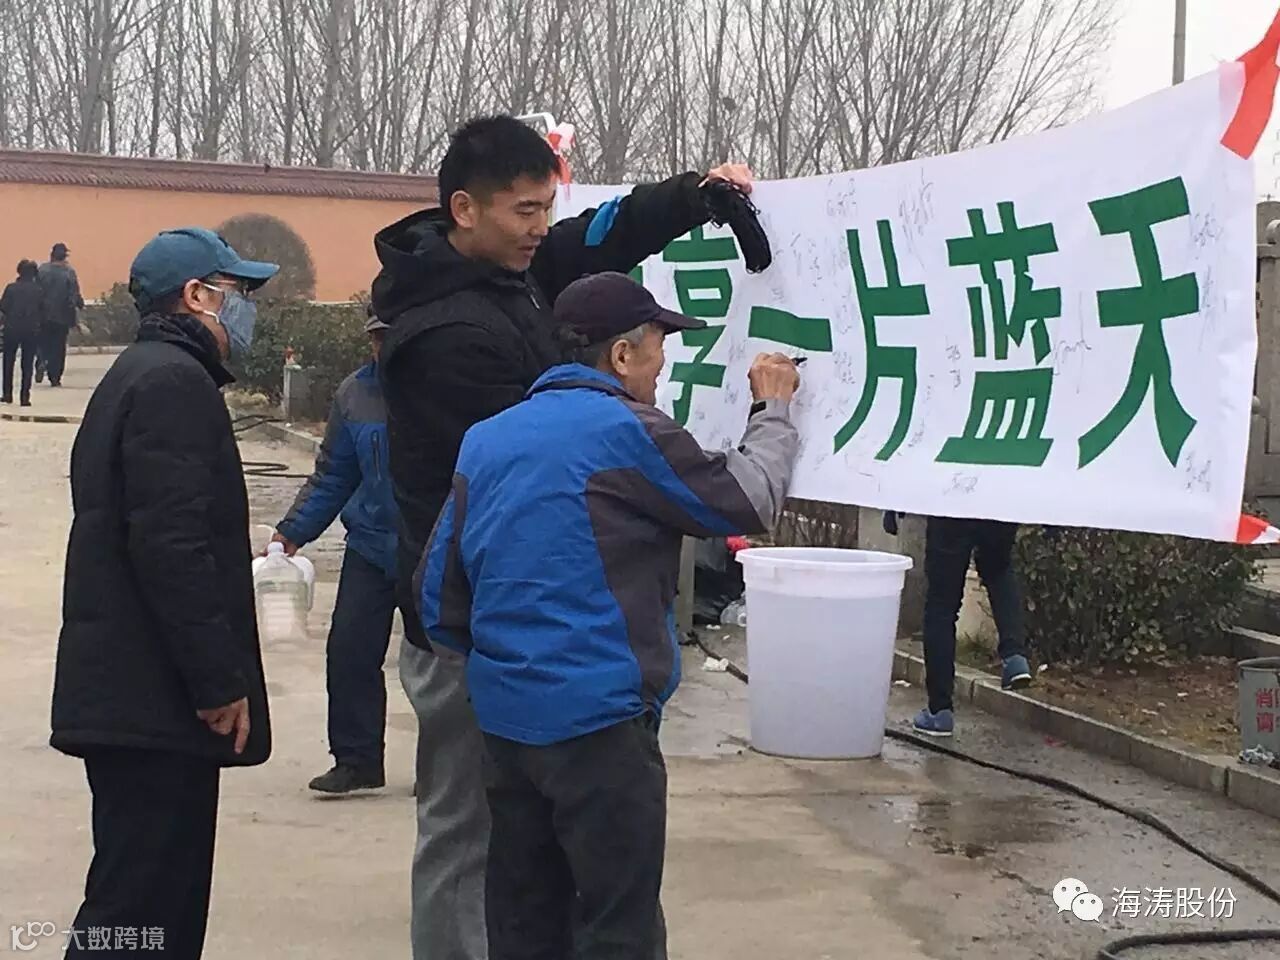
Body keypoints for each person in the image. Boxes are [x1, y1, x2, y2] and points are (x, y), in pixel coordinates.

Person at [370, 113, 755, 960]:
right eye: (524, 211)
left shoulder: (510, 272)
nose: (541, 228)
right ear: (465, 209)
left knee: (529, 868)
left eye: (546, 207)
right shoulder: (448, 333)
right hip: (475, 625)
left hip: (524, 625)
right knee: (466, 836)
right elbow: (539, 470)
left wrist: (696, 196)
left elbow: (601, 235)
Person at [419, 272, 801, 960]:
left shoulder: (486, 439)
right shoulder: (629, 430)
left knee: (523, 924)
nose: (662, 369)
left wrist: (508, 665)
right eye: (658, 351)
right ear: (621, 355)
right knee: (617, 928)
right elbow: (750, 500)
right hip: (600, 725)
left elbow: (436, 597)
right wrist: (772, 409)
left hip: (506, 727)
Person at [51, 227, 278, 958]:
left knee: (147, 904)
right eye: (237, 292)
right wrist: (216, 680)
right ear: (196, 296)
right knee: (138, 913)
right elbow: (171, 546)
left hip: (136, 692)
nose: (245, 308)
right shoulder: (172, 385)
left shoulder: (142, 373)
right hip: (151, 698)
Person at [272, 312, 401, 795]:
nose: (383, 347)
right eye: (377, 338)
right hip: (371, 543)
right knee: (349, 650)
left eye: (391, 336)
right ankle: (356, 759)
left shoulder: (449, 385)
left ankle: (445, 770)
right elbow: (334, 474)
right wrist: (292, 532)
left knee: (440, 665)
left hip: (434, 545)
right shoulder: (355, 394)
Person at [912, 517, 1033, 737]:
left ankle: (940, 710)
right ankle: (1014, 655)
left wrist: (896, 505)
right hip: (998, 505)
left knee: (941, 606)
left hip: (951, 508)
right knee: (999, 569)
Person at [36, 241, 84, 387]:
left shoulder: (42, 270)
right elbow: (74, 294)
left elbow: (35, 290)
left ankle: (41, 360)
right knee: (58, 347)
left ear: (52, 255)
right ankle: (55, 377)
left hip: (43, 315)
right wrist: (79, 305)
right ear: (64, 256)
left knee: (43, 342)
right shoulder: (69, 272)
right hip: (62, 316)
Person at [1, 259, 43, 406]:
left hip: (12, 328)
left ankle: (7, 394)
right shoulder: (38, 290)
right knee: (27, 363)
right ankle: (25, 397)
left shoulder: (11, 288)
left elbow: (3, 307)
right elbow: (43, 310)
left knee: (8, 361)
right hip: (31, 330)